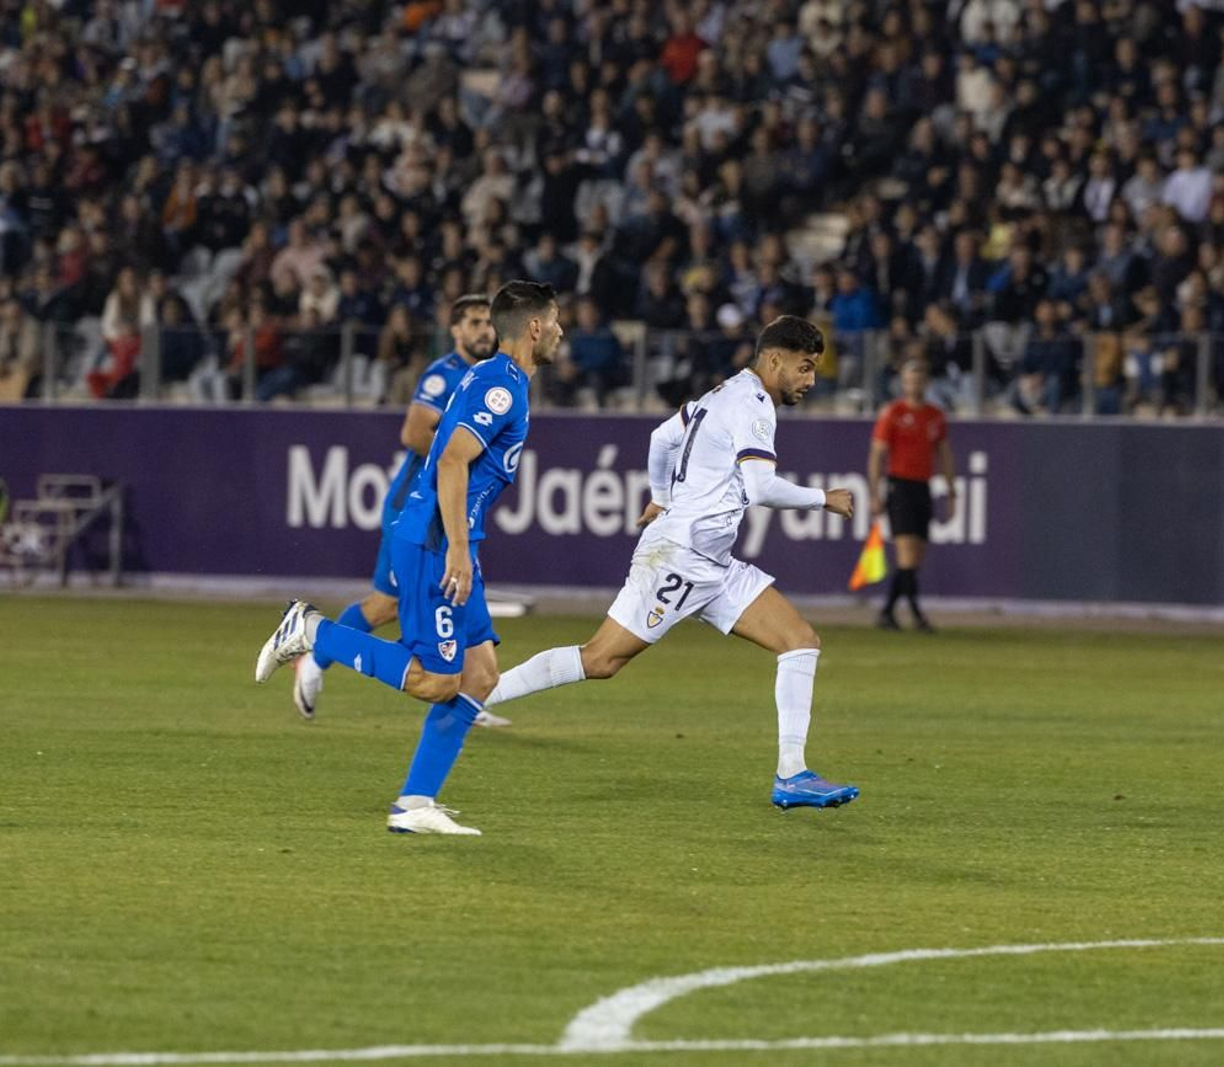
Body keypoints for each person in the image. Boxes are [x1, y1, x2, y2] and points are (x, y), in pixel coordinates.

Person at [482, 316, 861, 811]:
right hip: (679, 559)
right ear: (774, 360)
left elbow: (662, 437)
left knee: (799, 641)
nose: (811, 380)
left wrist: (661, 496)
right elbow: (761, 487)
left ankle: (792, 774)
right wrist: (823, 498)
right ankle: (476, 697)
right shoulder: (753, 405)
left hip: (712, 563)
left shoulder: (719, 395)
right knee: (601, 660)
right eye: (805, 368)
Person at [254, 281, 563, 835]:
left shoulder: (504, 379)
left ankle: (415, 803)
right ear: (535, 328)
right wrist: (461, 554)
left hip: (450, 538)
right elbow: (449, 462)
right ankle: (312, 631)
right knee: (437, 681)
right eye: (557, 321)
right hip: (435, 543)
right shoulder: (500, 385)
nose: (562, 331)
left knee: (480, 673)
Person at [292, 294, 511, 727]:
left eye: (489, 322)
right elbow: (413, 432)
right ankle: (316, 658)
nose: (484, 329)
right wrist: (465, 456)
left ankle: (468, 685)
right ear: (455, 331)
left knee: (444, 591)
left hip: (441, 511)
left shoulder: (486, 377)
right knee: (386, 605)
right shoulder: (442, 375)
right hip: (414, 509)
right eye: (474, 322)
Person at [867, 359, 955, 633]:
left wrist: (952, 491)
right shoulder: (893, 413)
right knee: (906, 555)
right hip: (900, 487)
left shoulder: (935, 416)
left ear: (926, 383)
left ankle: (887, 612)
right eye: (909, 380)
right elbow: (877, 454)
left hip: (922, 488)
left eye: (918, 380)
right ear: (903, 383)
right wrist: (875, 492)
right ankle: (916, 615)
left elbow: (944, 454)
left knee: (915, 558)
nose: (914, 385)